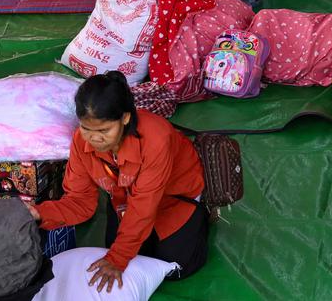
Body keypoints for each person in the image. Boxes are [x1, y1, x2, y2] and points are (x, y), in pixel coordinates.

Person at [27, 73, 208, 290]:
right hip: (124, 197)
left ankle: (201, 214)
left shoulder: (156, 139)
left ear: (125, 118)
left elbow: (143, 207)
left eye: (104, 130)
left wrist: (117, 258)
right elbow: (80, 202)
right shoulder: (80, 142)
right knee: (127, 253)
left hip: (173, 197)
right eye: (86, 129)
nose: (94, 139)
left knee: (177, 267)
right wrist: (40, 213)